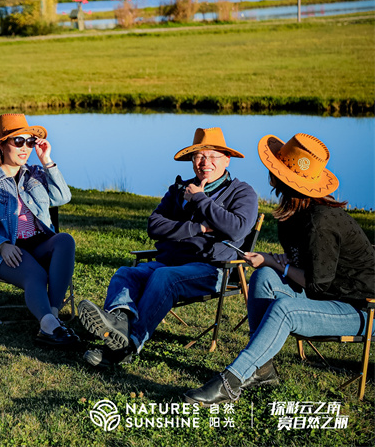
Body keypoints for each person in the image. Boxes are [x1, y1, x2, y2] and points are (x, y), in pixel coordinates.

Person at [184, 133, 375, 405]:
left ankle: (231, 381)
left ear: (285, 179)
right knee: (263, 276)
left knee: (284, 307)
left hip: (361, 309)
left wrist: (275, 262)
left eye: (275, 167)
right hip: (329, 297)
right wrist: (274, 263)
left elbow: (316, 284)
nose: (269, 171)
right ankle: (262, 370)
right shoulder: (294, 214)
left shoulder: (321, 221)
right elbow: (304, 264)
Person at [78, 127, 258, 366]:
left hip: (213, 268)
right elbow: (154, 225)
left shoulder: (242, 192)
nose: (205, 162)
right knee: (126, 273)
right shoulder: (178, 190)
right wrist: (199, 228)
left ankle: (127, 346)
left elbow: (236, 228)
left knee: (164, 277)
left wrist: (200, 200)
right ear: (192, 161)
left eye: (212, 156)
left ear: (226, 159)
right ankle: (117, 326)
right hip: (170, 262)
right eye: (199, 156)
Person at [0, 113, 78, 347]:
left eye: (29, 142)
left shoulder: (36, 174)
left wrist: (47, 160)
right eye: (18, 141)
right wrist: (0, 245)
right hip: (8, 248)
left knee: (65, 240)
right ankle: (48, 327)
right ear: (2, 145)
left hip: (39, 243)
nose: (25, 147)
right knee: (35, 274)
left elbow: (62, 197)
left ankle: (52, 319)